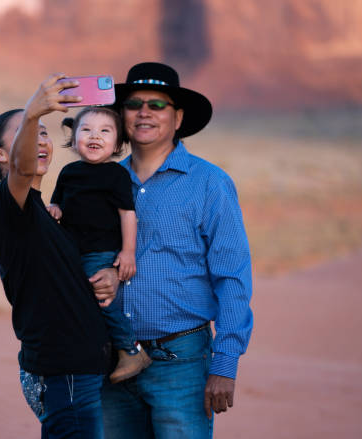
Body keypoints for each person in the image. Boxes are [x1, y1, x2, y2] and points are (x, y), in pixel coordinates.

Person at [100, 62, 253, 439]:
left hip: (181, 361)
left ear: (178, 117)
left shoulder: (210, 184)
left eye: (157, 104)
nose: (144, 112)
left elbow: (232, 276)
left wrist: (226, 363)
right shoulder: (102, 182)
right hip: (111, 361)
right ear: (122, 116)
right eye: (134, 103)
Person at [0, 74, 119, 439]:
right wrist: (32, 113)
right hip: (64, 373)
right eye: (28, 133)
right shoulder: (4, 205)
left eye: (43, 133)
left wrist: (107, 278)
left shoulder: (48, 214)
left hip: (79, 373)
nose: (40, 140)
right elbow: (23, 169)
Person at [47, 106, 152, 384]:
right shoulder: (69, 172)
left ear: (118, 143)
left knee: (102, 297)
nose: (95, 136)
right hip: (72, 250)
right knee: (72, 300)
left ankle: (130, 350)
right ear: (74, 138)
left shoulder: (116, 175)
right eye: (86, 130)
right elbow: (57, 202)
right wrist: (55, 208)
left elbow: (127, 214)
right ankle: (84, 350)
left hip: (102, 250)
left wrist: (127, 252)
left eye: (105, 131)